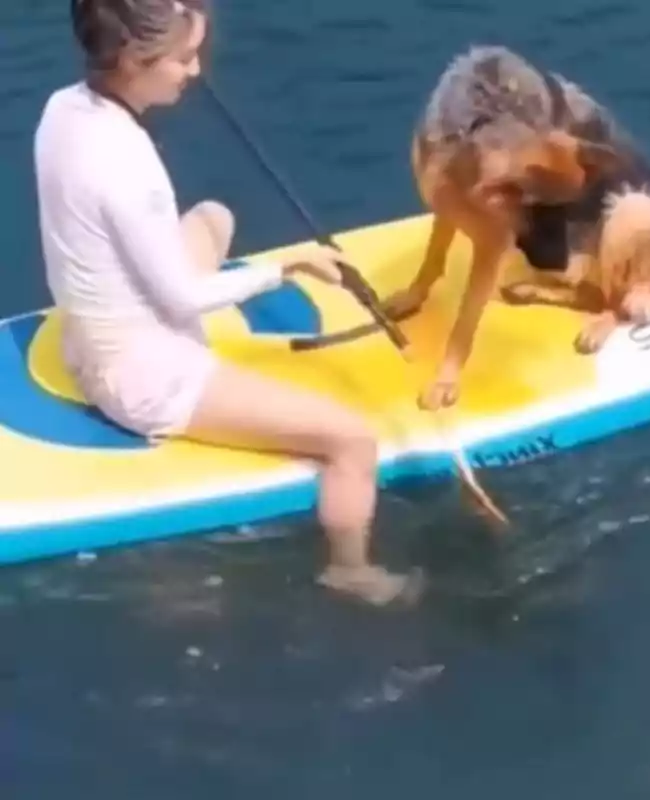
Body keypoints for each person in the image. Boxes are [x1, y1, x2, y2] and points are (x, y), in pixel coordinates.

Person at [35, 0, 423, 606]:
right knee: (353, 441)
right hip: (143, 377)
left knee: (214, 218)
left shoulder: (62, 109)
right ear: (136, 60)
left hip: (85, 337)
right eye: (184, 58)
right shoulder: (128, 166)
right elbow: (182, 295)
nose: (195, 72)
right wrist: (283, 269)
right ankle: (350, 571)